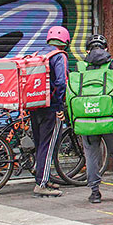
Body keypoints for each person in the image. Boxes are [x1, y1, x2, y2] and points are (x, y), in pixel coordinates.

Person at [81, 35, 113, 203]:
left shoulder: (82, 66)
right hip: (109, 116)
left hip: (87, 116)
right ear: (105, 48)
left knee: (91, 154)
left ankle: (95, 192)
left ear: (88, 49)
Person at [29, 26, 69, 197]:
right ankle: (41, 183)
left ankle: (41, 173)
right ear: (65, 41)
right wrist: (60, 107)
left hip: (35, 105)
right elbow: (61, 82)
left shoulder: (39, 54)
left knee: (40, 143)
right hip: (51, 108)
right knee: (49, 144)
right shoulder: (59, 56)